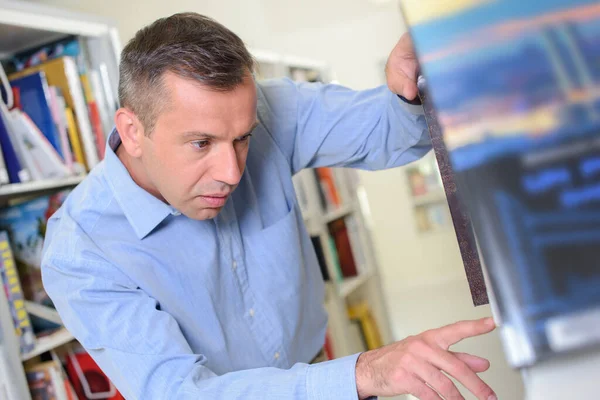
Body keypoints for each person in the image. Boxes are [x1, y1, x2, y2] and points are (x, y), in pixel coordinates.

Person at [41, 12, 498, 400]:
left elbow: (393, 130)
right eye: (201, 143)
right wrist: (366, 373)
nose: (232, 172)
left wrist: (412, 86)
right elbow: (181, 392)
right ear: (133, 130)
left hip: (321, 376)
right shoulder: (81, 251)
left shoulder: (271, 108)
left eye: (243, 139)